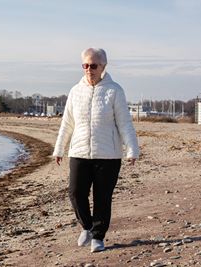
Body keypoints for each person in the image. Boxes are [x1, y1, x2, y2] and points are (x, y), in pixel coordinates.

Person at [53, 48, 139, 253]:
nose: (88, 69)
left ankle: (98, 237)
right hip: (79, 152)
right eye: (85, 65)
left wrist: (132, 150)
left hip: (108, 155)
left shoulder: (114, 90)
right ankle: (87, 227)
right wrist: (59, 149)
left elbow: (125, 123)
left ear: (103, 67)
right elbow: (67, 123)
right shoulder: (75, 91)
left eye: (93, 65)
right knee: (75, 193)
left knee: (102, 197)